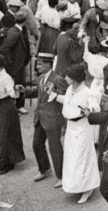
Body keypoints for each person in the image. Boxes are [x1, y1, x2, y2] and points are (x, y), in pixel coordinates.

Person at [55, 62, 101, 204]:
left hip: (81, 128)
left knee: (82, 158)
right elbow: (67, 102)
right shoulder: (69, 89)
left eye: (68, 76)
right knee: (72, 159)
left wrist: (88, 111)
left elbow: (96, 108)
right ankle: (74, 185)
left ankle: (88, 188)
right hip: (71, 128)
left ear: (74, 77)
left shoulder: (87, 92)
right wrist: (52, 94)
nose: (65, 78)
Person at [24, 52, 66, 185]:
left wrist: (53, 93)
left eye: (40, 64)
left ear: (48, 64)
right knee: (37, 144)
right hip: (40, 118)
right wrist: (23, 91)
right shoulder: (42, 78)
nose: (37, 66)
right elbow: (39, 92)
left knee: (55, 148)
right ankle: (45, 169)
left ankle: (62, 176)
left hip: (52, 119)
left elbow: (63, 98)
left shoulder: (58, 79)